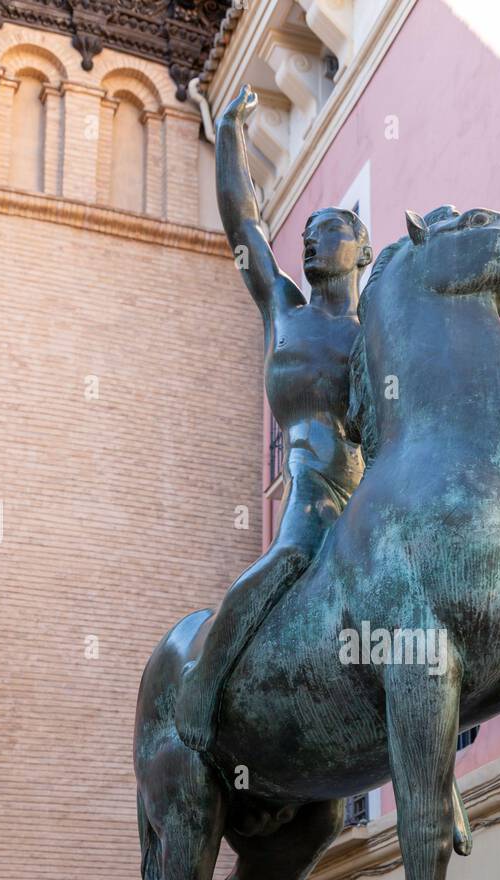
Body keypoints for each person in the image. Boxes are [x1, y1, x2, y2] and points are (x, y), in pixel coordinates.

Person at [175, 85, 372, 760]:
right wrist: (229, 134)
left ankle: (435, 772)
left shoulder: (376, 334)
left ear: (363, 250)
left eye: (332, 231)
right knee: (286, 559)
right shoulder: (283, 309)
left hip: (369, 495)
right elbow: (246, 226)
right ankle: (201, 688)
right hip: (312, 497)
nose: (314, 240)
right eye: (310, 232)